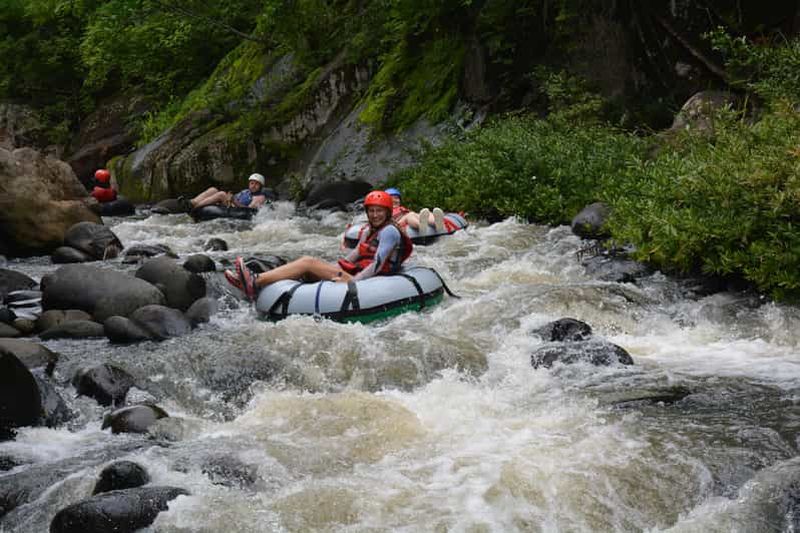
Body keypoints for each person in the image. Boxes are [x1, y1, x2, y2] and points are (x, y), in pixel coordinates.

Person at [225, 190, 413, 301]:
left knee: (307, 262)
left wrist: (352, 282)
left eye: (379, 211)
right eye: (371, 211)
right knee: (310, 267)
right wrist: (331, 269)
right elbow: (353, 256)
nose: (374, 215)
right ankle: (256, 284)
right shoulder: (369, 230)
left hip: (372, 282)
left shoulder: (389, 231)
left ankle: (255, 282)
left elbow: (378, 264)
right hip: (359, 275)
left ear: (388, 212)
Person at [180, 173, 268, 212]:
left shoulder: (259, 197)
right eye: (252, 183)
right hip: (232, 205)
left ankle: (194, 208)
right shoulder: (246, 191)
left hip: (237, 209)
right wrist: (230, 197)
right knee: (213, 189)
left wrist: (233, 201)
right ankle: (191, 203)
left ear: (261, 186)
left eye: (256, 184)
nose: (253, 186)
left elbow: (248, 211)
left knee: (221, 194)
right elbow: (234, 197)